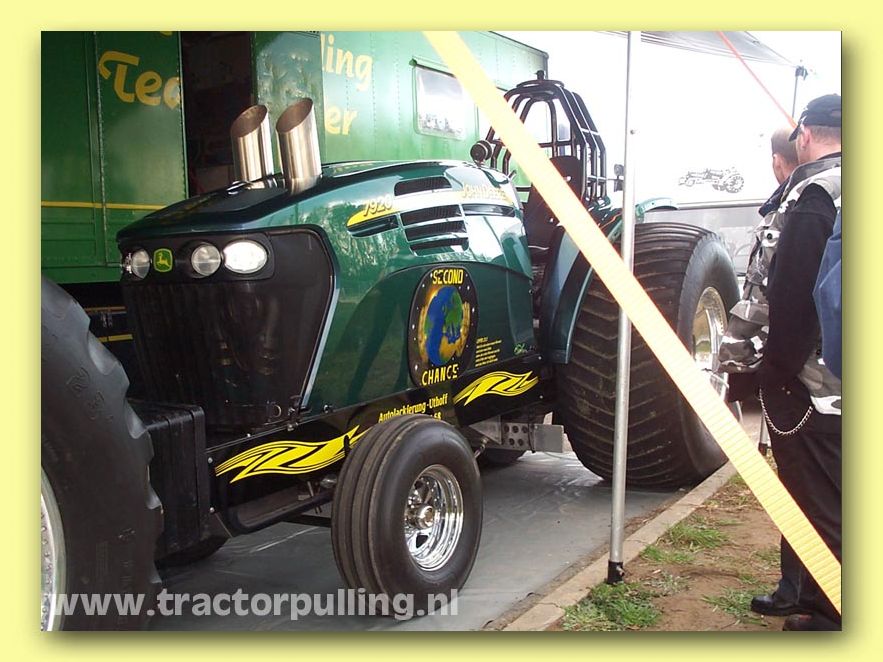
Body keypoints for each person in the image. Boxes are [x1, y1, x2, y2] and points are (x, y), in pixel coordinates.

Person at [718, 94, 842, 631]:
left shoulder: (816, 195)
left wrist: (770, 373)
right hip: (834, 378)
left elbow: (795, 297)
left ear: (805, 135)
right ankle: (809, 595)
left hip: (813, 384)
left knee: (821, 502)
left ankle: (831, 615)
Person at [719, 127, 802, 619]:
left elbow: (761, 299)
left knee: (802, 487)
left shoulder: (796, 205)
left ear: (777, 160)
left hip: (800, 380)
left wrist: (738, 364)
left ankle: (801, 591)